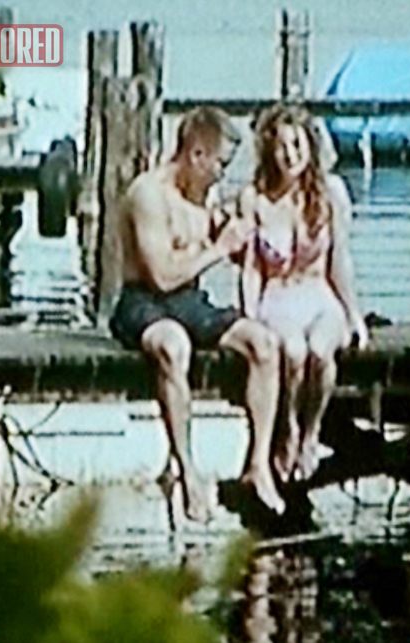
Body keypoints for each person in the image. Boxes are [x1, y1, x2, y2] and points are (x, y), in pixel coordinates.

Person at [110, 106, 286, 521]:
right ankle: (187, 470)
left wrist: (241, 241)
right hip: (143, 302)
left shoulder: (204, 196)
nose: (222, 175)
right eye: (220, 164)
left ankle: (258, 465)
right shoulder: (148, 195)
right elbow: (162, 276)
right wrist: (219, 248)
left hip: (189, 301)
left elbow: (213, 255)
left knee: (263, 343)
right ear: (197, 154)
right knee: (174, 346)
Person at [239, 104, 368, 483]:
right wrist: (248, 318)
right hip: (278, 296)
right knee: (293, 352)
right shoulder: (255, 198)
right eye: (282, 146)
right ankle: (288, 426)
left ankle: (312, 431)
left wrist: (354, 314)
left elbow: (339, 259)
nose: (290, 154)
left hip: (320, 296)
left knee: (319, 350)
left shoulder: (330, 193)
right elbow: (251, 268)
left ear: (310, 147)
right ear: (269, 150)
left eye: (297, 144)